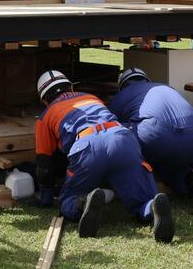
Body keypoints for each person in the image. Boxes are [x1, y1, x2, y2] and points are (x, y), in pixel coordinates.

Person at [34, 70, 174, 242]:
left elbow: (44, 163)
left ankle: (83, 202)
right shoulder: (91, 97)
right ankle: (152, 207)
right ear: (70, 87)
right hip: (122, 138)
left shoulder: (45, 116)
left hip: (87, 146)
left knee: (68, 200)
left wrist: (45, 199)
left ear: (43, 99)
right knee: (141, 198)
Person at [109, 68, 193, 212]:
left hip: (156, 136)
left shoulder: (121, 96)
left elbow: (109, 125)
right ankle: (190, 180)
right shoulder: (164, 86)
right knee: (174, 161)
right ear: (146, 79)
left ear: (123, 85)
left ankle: (149, 191)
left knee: (117, 132)